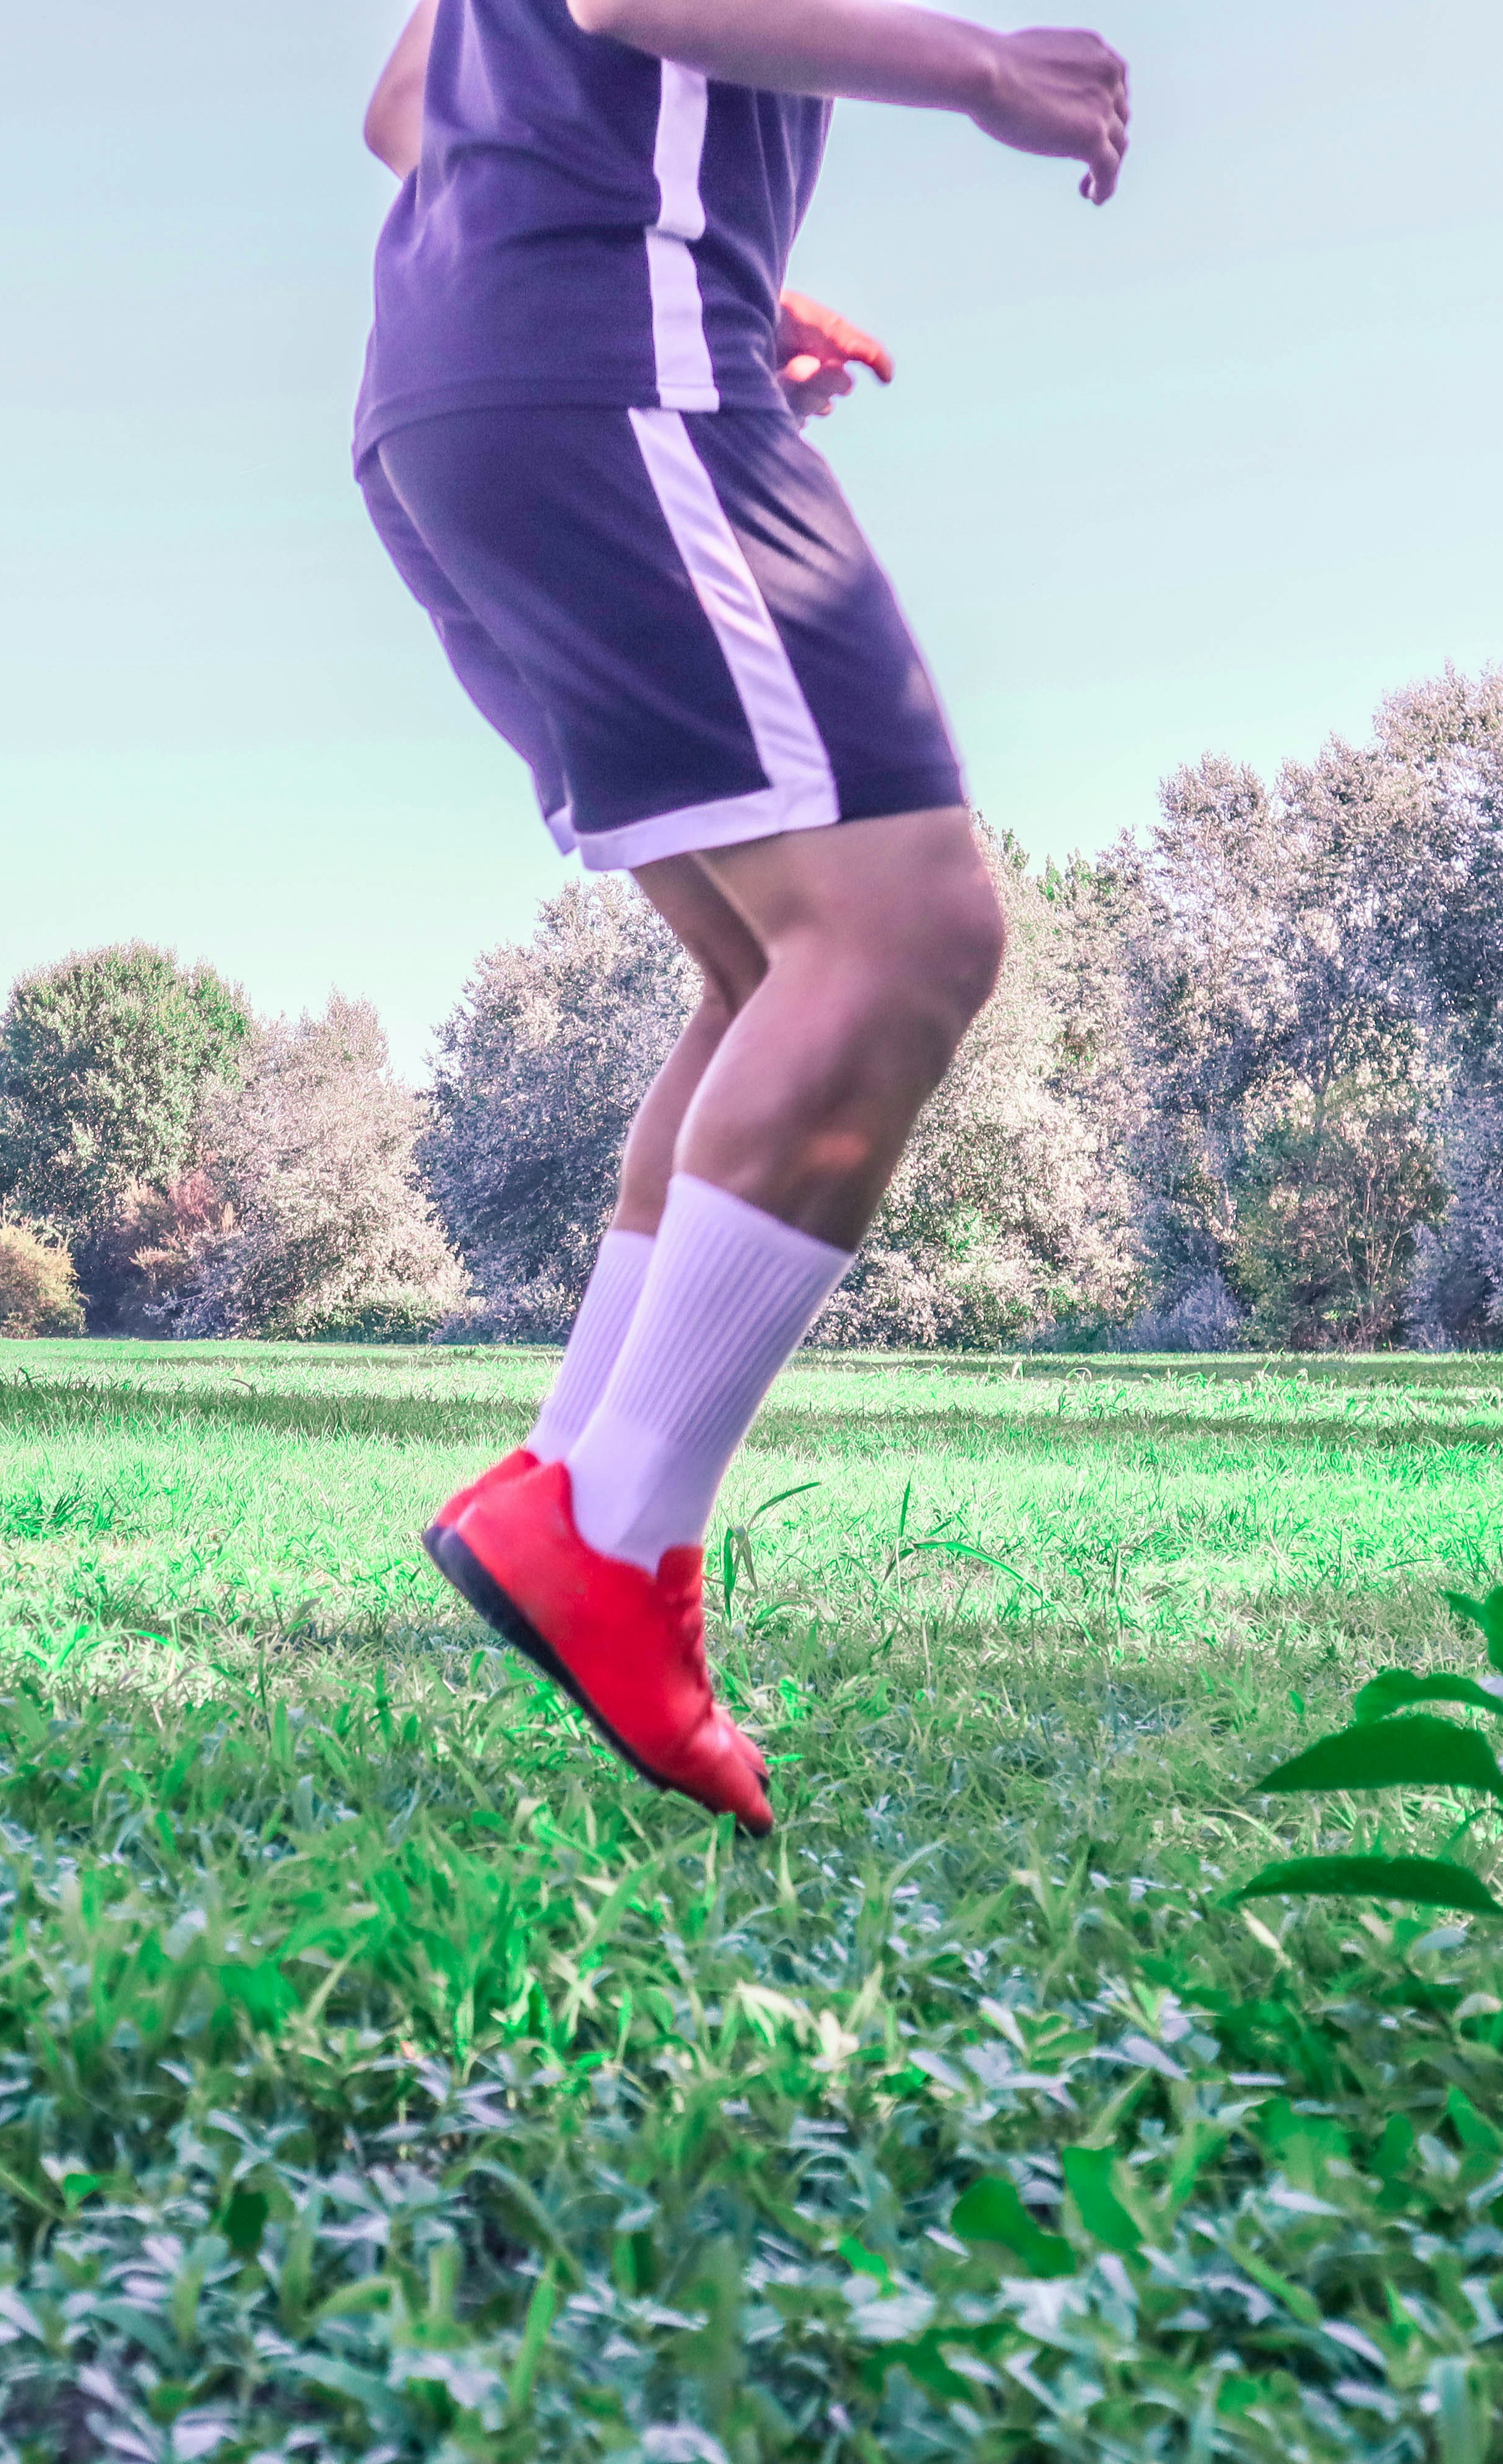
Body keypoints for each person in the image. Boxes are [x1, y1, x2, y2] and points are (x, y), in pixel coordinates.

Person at [359, 0, 1128, 1835]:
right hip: (600, 380)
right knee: (908, 932)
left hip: (469, 390)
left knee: (769, 956)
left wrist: (695, 256)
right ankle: (611, 1532)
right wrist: (984, 72)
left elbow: (411, 108)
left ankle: (565, 1472)